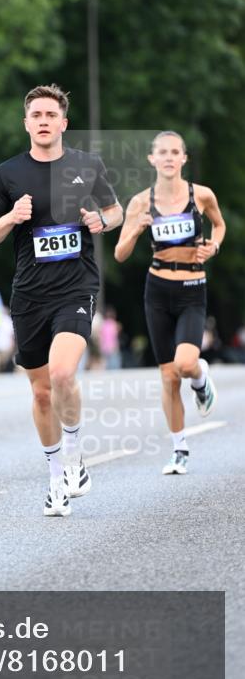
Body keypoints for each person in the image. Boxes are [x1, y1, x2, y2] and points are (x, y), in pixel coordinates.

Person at [0, 83, 123, 516]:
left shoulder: (86, 165)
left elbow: (114, 211)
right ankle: (56, 478)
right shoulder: (7, 174)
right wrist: (10, 217)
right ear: (27, 123)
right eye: (35, 115)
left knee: (61, 373)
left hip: (76, 288)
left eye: (49, 115)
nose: (43, 121)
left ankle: (76, 452)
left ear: (63, 123)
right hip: (29, 295)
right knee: (41, 394)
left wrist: (101, 220)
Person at [114, 130, 226, 475]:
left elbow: (219, 226)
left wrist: (214, 246)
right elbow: (119, 253)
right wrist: (135, 230)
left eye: (174, 152)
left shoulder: (201, 195)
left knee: (186, 363)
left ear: (183, 159)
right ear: (152, 159)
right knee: (167, 376)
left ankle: (201, 377)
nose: (167, 157)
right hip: (158, 288)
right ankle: (179, 450)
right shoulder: (139, 202)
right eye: (161, 152)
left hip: (192, 285)